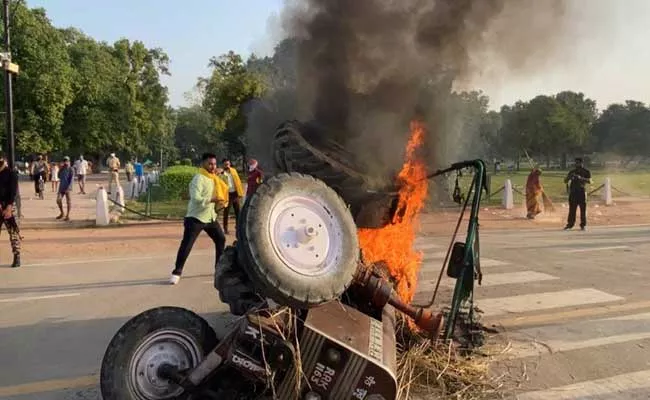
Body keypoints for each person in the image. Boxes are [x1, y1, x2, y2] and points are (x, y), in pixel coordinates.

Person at [169, 152, 229, 285]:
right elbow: (195, 198)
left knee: (221, 239)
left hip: (210, 217)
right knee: (187, 245)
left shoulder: (214, 178)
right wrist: (212, 199)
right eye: (210, 164)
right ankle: (177, 272)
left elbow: (225, 184)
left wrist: (221, 174)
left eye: (214, 164)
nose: (213, 166)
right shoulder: (199, 178)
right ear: (203, 164)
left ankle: (218, 269)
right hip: (195, 218)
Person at [0, 153, 21, 268]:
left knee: (13, 233)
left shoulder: (11, 174)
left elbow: (13, 193)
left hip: (9, 207)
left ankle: (17, 256)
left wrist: (8, 207)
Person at [563, 157, 592, 231]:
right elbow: (565, 181)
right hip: (573, 192)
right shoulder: (572, 171)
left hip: (581, 192)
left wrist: (580, 178)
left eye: (578, 163)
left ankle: (583, 224)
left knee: (583, 210)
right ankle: (570, 224)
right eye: (576, 163)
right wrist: (569, 177)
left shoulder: (586, 171)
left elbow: (590, 181)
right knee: (572, 210)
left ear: (582, 163)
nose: (576, 164)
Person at [219, 158, 244, 234]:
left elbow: (238, 182)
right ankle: (225, 228)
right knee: (226, 212)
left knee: (238, 211)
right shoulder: (221, 173)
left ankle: (238, 227)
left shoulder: (233, 171)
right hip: (227, 194)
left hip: (235, 194)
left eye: (228, 164)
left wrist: (240, 193)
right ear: (223, 165)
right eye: (226, 164)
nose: (227, 165)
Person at [56, 156, 74, 221]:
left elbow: (71, 179)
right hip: (61, 187)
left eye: (67, 161)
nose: (65, 162)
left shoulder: (71, 169)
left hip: (68, 188)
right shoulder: (62, 169)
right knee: (58, 200)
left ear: (69, 161)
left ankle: (68, 215)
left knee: (68, 201)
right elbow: (58, 176)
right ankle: (62, 213)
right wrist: (60, 168)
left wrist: (68, 188)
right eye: (64, 161)